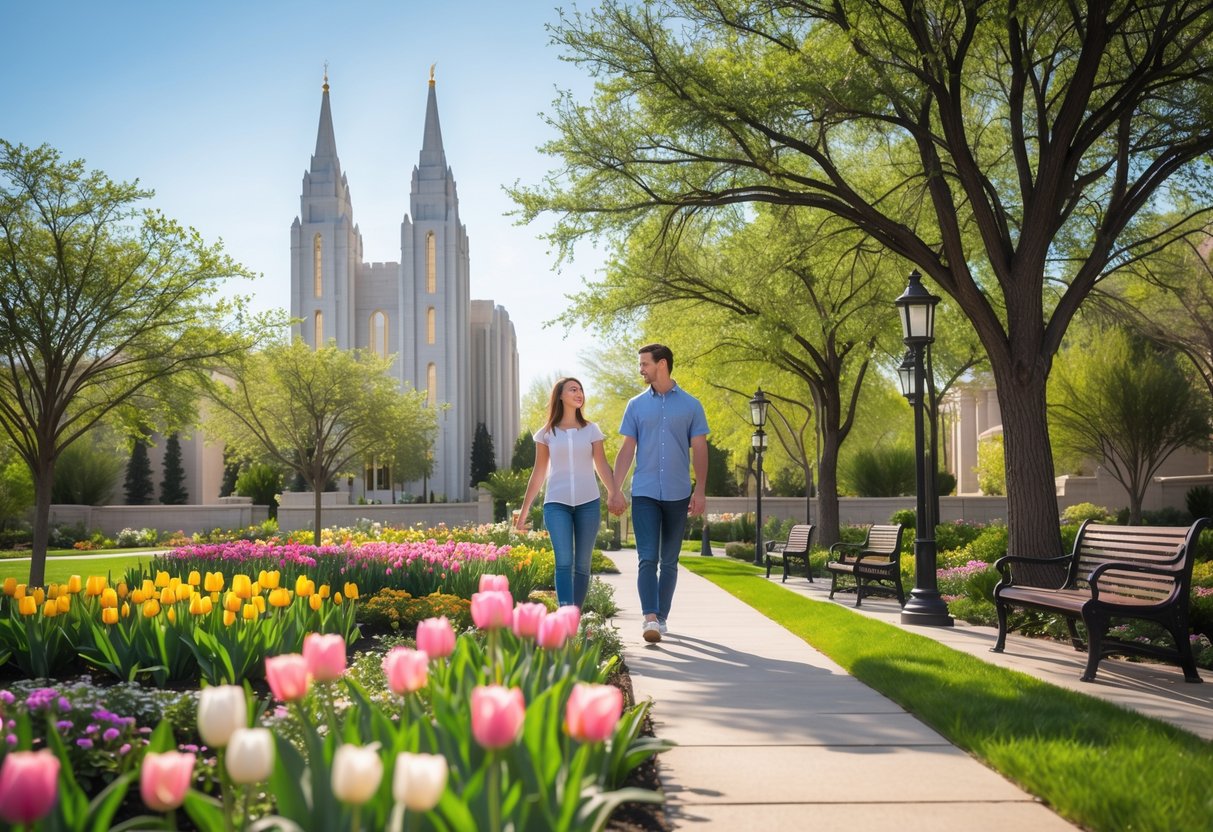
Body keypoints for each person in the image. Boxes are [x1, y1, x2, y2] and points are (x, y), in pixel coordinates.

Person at [608, 344, 709, 643]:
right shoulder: (635, 405)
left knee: (669, 560)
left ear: (661, 364)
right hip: (645, 493)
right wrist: (615, 489)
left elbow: (701, 450)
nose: (641, 369)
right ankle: (649, 617)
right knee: (647, 558)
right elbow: (627, 450)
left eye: (644, 364)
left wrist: (700, 490)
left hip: (678, 493)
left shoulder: (692, 405)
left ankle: (661, 618)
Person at [517, 377, 620, 607]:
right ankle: (565, 616)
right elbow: (539, 473)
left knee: (583, 564)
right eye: (573, 389)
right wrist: (524, 512)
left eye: (581, 389)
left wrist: (614, 492)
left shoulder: (592, 430)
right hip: (556, 504)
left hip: (589, 503)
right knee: (564, 562)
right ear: (560, 396)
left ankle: (575, 617)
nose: (579, 393)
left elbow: (601, 465)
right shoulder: (546, 433)